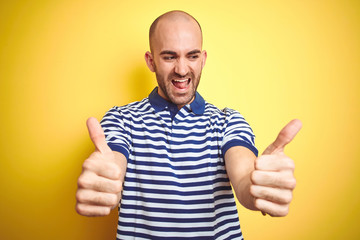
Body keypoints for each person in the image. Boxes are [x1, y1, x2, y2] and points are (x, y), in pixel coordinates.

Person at [75, 10, 302, 239]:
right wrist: (104, 179)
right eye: (169, 57)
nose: (182, 70)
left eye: (192, 56)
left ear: (203, 59)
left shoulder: (227, 122)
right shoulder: (121, 120)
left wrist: (259, 188)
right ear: (151, 61)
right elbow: (113, 161)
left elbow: (244, 176)